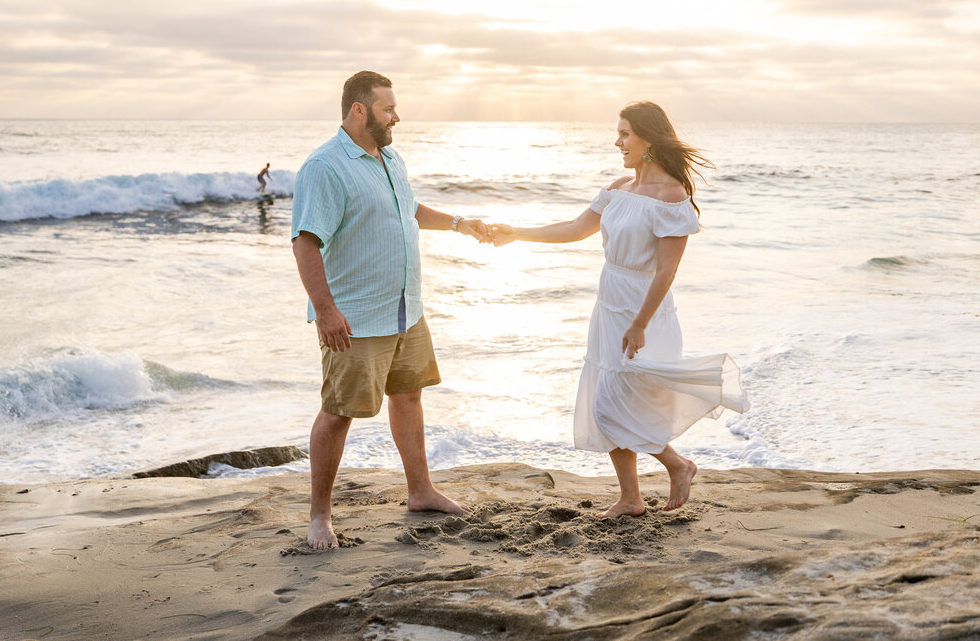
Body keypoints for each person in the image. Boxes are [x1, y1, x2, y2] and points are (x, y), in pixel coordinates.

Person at [492, 101, 748, 518]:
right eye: (618, 133)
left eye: (625, 133)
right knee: (604, 396)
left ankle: (678, 464)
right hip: (609, 304)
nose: (618, 142)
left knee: (616, 402)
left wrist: (640, 323)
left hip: (642, 310)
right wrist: (517, 234)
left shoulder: (671, 195)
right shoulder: (619, 188)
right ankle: (631, 498)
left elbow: (667, 271)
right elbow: (575, 229)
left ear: (648, 139)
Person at [291, 70, 493, 550]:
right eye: (388, 108)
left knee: (409, 396)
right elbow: (305, 241)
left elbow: (409, 210)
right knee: (338, 412)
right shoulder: (325, 167)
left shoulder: (390, 157)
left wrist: (461, 223)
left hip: (406, 308)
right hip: (356, 316)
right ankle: (320, 516)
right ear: (359, 110)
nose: (396, 117)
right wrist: (325, 310)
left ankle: (421, 491)